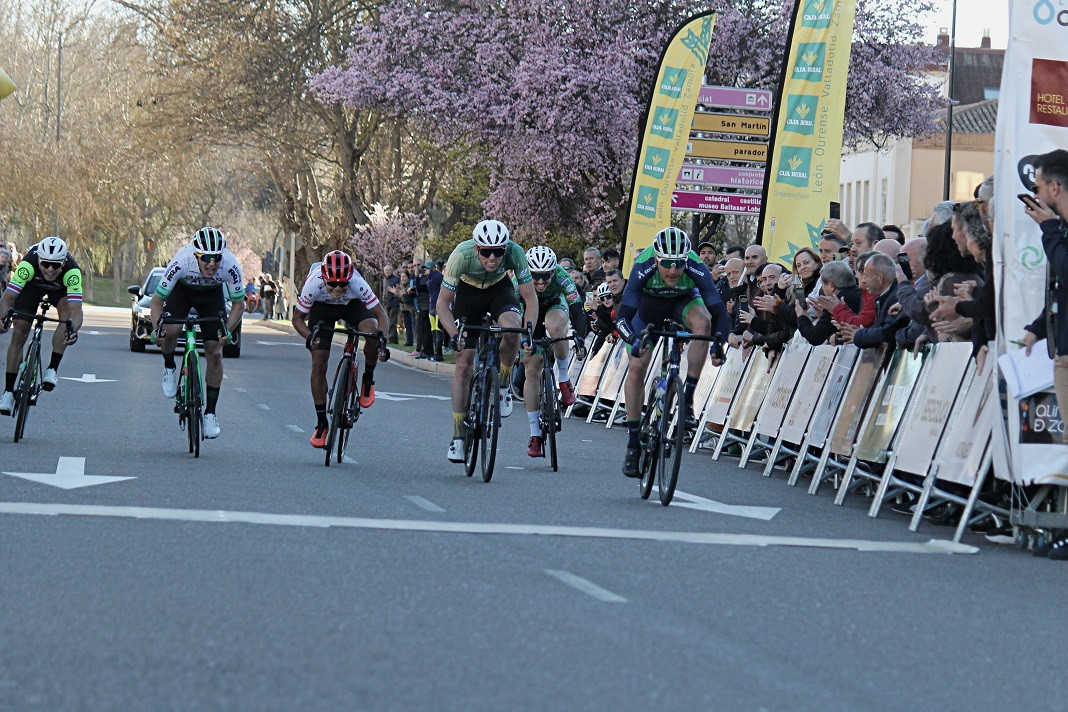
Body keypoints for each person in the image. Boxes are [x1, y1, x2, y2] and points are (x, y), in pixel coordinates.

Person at [615, 227, 731, 477]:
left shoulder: (696, 266)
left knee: (704, 324)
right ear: (656, 259)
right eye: (666, 263)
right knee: (636, 369)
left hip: (683, 300)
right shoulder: (643, 265)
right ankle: (633, 443)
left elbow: (720, 312)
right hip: (648, 309)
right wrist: (634, 340)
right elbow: (622, 317)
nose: (673, 270)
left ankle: (687, 400)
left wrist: (718, 344)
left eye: (679, 264)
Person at [437, 219, 538, 463]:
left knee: (512, 329)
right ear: (476, 249)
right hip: (468, 294)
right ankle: (459, 435)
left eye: (498, 252)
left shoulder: (515, 252)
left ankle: (503, 383)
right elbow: (442, 304)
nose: (492, 258)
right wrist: (454, 335)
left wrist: (529, 333)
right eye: (486, 252)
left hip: (498, 289)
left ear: (505, 249)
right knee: (464, 364)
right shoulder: (460, 255)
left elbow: (530, 298)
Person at [149, 227, 245, 439]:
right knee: (171, 330)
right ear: (196, 255)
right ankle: (169, 366)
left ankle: (210, 413)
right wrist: (158, 329)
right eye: (206, 258)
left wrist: (226, 333)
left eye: (216, 258)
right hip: (182, 293)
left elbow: (238, 305)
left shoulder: (230, 265)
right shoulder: (182, 260)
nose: (212, 264)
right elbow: (157, 301)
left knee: (215, 351)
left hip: (211, 296)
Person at [291, 250, 389, 448]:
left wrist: (381, 341)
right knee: (319, 362)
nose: (337, 288)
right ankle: (321, 423)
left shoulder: (356, 283)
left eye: (343, 284)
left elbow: (382, 315)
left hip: (351, 305)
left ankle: (367, 378)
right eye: (332, 284)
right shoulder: (313, 285)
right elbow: (297, 319)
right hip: (322, 309)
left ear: (349, 280)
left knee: (371, 332)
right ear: (324, 278)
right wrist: (310, 338)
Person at [0, 237, 83, 414]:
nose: (50, 269)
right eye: (46, 264)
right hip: (31, 288)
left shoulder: (72, 271)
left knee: (66, 317)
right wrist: (2, 319)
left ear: (63, 262)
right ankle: (8, 392)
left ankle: (52, 369)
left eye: (55, 265)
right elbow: (7, 299)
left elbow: (76, 311)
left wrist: (73, 329)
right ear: (39, 260)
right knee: (20, 330)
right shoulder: (27, 264)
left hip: (59, 291)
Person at [519, 245, 588, 456]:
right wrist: (524, 340)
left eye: (546, 276)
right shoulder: (519, 280)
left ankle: (564, 380)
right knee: (531, 369)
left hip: (553, 307)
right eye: (536, 277)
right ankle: (535, 434)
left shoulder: (562, 277)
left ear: (554, 271)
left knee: (557, 327)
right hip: (528, 313)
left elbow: (577, 309)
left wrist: (581, 338)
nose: (540, 282)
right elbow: (513, 312)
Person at [835, 252, 905, 348]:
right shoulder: (883, 297)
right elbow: (879, 329)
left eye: (866, 275)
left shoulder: (896, 297)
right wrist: (861, 333)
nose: (864, 280)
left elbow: (888, 332)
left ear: (879, 278)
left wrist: (859, 335)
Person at [795, 261, 864, 345]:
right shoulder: (861, 293)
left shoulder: (835, 302)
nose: (822, 289)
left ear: (831, 286)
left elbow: (815, 337)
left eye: (823, 285)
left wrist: (802, 316)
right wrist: (822, 317)